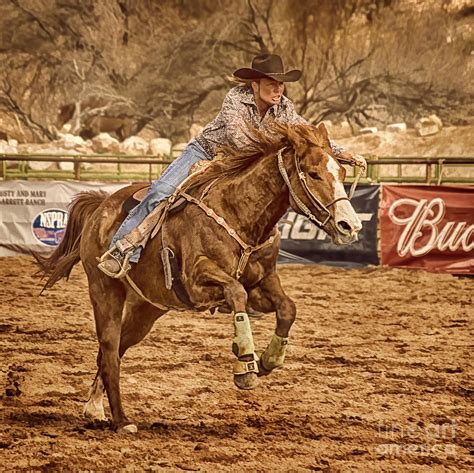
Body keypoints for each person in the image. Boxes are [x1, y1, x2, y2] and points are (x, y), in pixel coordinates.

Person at [98, 53, 366, 277]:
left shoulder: (284, 107)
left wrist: (343, 155)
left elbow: (308, 135)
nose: (278, 90)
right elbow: (239, 140)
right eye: (271, 84)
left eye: (281, 84)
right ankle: (122, 249)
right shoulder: (235, 99)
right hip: (207, 152)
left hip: (243, 161)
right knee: (161, 191)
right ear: (254, 85)